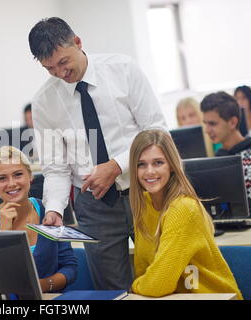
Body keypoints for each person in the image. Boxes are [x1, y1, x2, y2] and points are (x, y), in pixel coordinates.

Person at [28, 17, 167, 290]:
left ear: (78, 43)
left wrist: (116, 165)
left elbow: (157, 132)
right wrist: (55, 208)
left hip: (147, 191)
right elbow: (56, 167)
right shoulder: (44, 101)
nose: (60, 73)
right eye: (50, 69)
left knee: (162, 277)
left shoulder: (122, 69)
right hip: (94, 205)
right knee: (112, 288)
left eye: (64, 62)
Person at [129, 129, 242, 299]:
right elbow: (144, 269)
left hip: (208, 296)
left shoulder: (182, 209)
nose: (149, 171)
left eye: (158, 162)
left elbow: (157, 284)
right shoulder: (143, 204)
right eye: (141, 164)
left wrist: (135, 286)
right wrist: (145, 284)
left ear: (172, 166)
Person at [0, 146, 77, 293]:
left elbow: (69, 267)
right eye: (2, 178)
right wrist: (4, 234)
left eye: (18, 174)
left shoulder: (50, 211)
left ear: (30, 176)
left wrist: (44, 285)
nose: (12, 183)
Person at [201, 91, 251, 218]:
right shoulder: (216, 161)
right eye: (205, 123)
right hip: (226, 235)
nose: (207, 130)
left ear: (232, 122)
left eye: (212, 124)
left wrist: (244, 219)